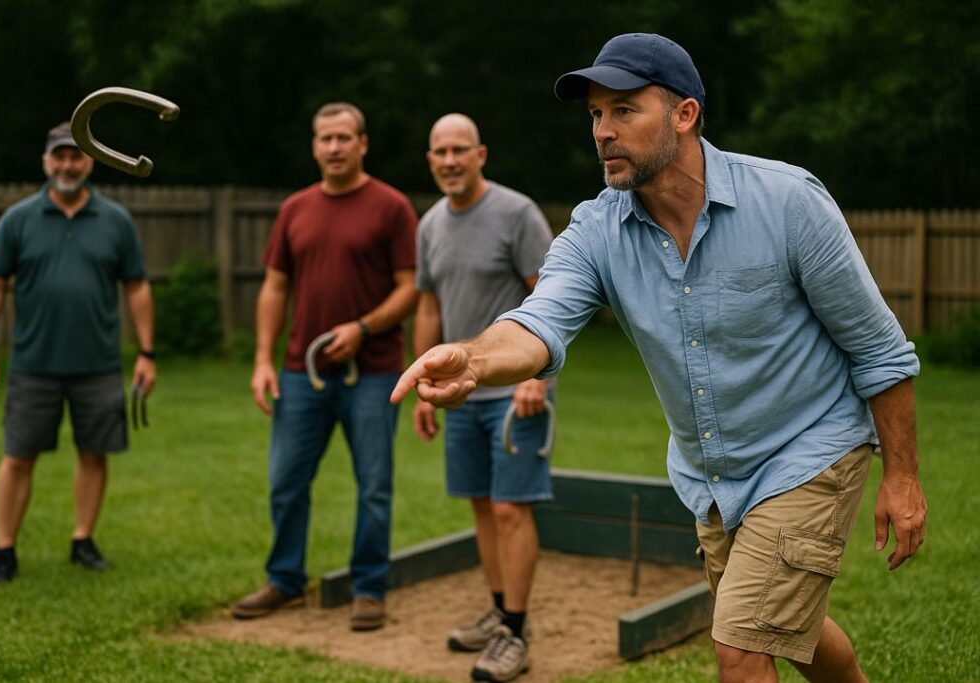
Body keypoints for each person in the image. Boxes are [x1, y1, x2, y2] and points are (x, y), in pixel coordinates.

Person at [392, 33, 927, 683]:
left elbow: (879, 349)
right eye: (595, 114)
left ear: (684, 114)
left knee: (740, 646)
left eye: (623, 110)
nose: (603, 131)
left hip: (810, 449)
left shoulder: (787, 203)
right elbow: (540, 319)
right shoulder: (597, 231)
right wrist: (475, 358)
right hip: (712, 478)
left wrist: (901, 476)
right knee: (793, 632)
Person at [231, 102, 418, 632]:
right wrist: (262, 361)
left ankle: (368, 588)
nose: (333, 147)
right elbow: (274, 287)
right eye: (324, 138)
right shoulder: (294, 209)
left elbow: (409, 290)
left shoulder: (392, 207)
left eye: (344, 137)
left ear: (362, 144)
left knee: (374, 485)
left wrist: (363, 328)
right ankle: (285, 579)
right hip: (300, 372)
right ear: (314, 146)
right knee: (286, 481)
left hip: (375, 371)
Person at [0, 122, 156, 587]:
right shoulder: (19, 219)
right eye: (59, 156)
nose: (67, 165)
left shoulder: (116, 220)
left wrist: (147, 352)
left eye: (76, 157)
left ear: (90, 162)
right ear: (45, 162)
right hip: (33, 363)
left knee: (95, 453)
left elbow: (136, 286)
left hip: (97, 364)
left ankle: (82, 540)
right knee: (17, 457)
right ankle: (4, 550)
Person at [414, 114, 554, 682]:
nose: (449, 160)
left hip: (514, 392)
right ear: (430, 160)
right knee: (480, 504)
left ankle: (516, 634)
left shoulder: (517, 214)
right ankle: (498, 611)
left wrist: (536, 376)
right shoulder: (429, 225)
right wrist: (425, 387)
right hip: (457, 394)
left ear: (481, 155)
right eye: (439, 151)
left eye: (459, 150)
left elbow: (552, 298)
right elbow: (428, 308)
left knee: (509, 508)